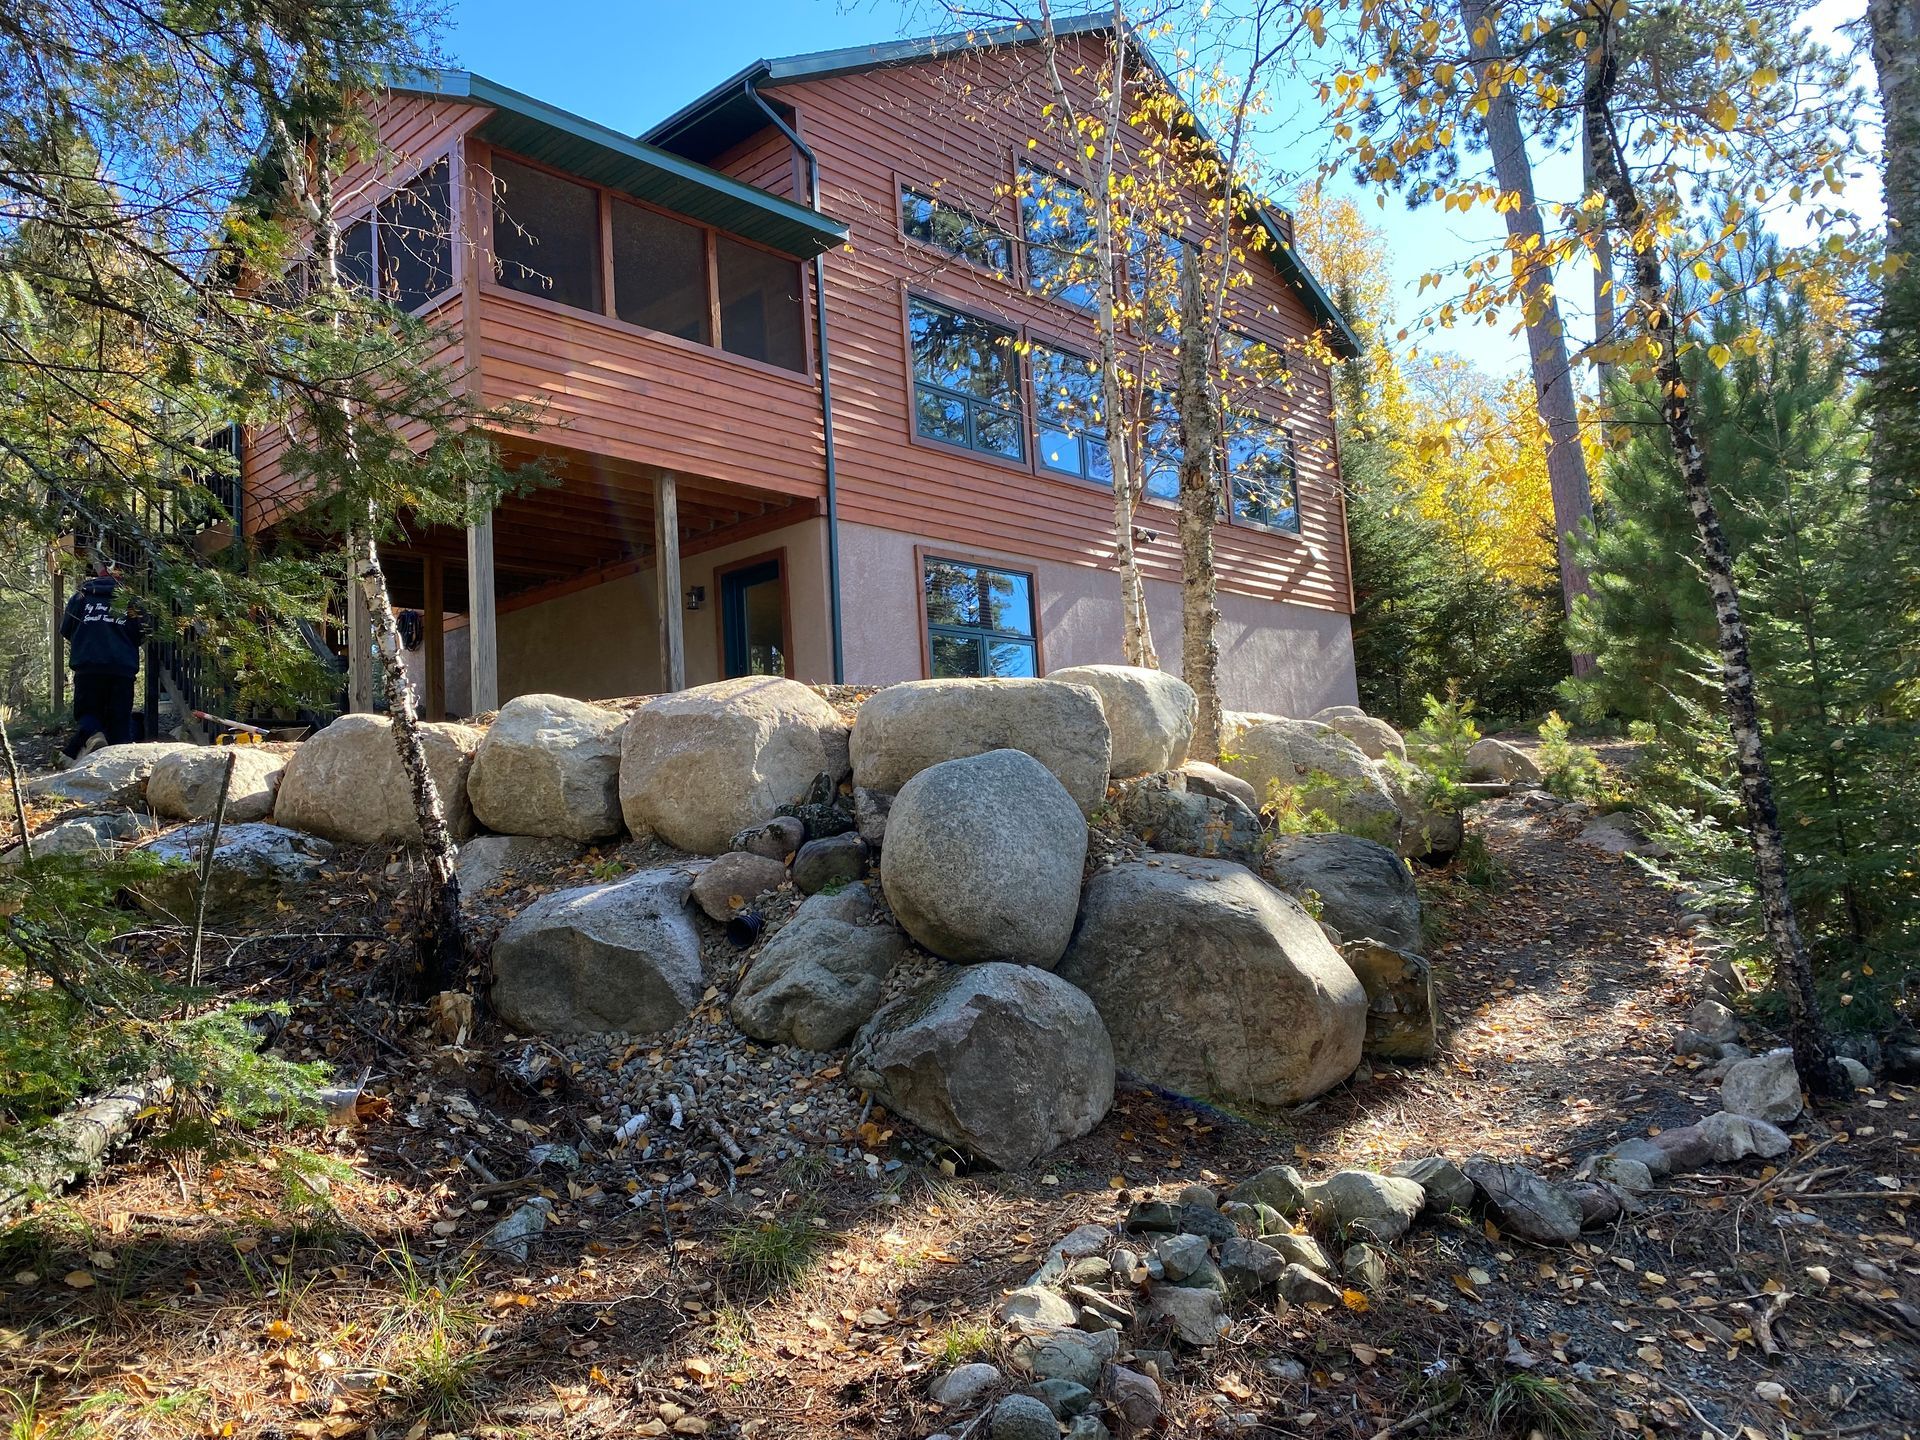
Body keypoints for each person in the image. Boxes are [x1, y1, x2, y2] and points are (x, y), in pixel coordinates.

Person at [60, 555, 146, 762]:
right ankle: (119, 768)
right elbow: (141, 633)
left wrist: (86, 642)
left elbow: (66, 629)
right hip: (122, 669)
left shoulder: (80, 597)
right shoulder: (132, 601)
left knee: (87, 713)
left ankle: (90, 739)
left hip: (87, 667)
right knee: (120, 720)